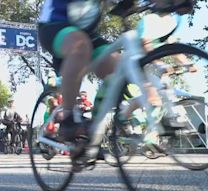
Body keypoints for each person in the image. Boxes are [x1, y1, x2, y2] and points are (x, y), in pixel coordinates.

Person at [37, 0, 195, 146]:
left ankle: (92, 133)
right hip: (55, 24)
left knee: (119, 69)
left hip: (88, 34)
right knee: (80, 46)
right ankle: (68, 119)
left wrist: (173, 3)